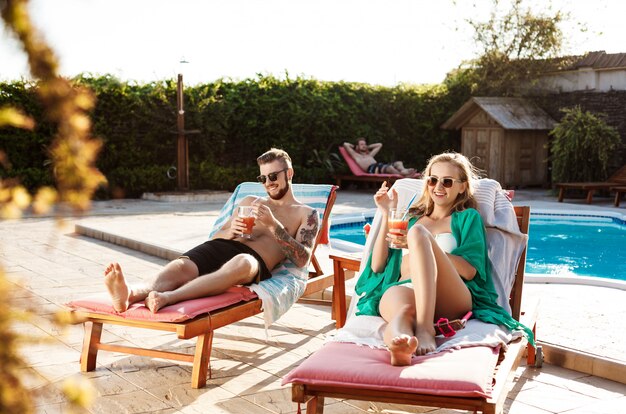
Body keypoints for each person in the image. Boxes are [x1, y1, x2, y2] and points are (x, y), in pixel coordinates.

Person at [354, 152, 533, 365]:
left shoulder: (467, 218)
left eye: (447, 182)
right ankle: (398, 346)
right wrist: (386, 212)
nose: (438, 187)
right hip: (406, 287)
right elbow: (377, 265)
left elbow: (469, 271)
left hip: (450, 294)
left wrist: (420, 243)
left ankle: (425, 327)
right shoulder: (411, 219)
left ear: (462, 187)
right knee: (403, 312)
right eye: (432, 179)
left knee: (419, 234)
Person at [103, 148, 320, 313]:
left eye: (273, 176)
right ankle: (130, 293)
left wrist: (274, 226)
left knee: (243, 261)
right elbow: (217, 236)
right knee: (181, 266)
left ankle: (169, 297)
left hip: (253, 261)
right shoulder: (250, 201)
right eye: (263, 178)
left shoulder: (306, 214)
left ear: (289, 173)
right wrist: (230, 231)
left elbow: (302, 259)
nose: (268, 183)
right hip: (223, 245)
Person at [343, 138, 416, 176]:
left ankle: (403, 171)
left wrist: (367, 147)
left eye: (365, 144)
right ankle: (403, 175)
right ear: (357, 146)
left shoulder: (369, 155)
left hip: (380, 166)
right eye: (362, 144)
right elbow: (345, 144)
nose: (364, 145)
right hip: (372, 169)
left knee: (398, 163)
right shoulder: (356, 155)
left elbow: (379, 145)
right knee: (390, 168)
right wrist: (355, 147)